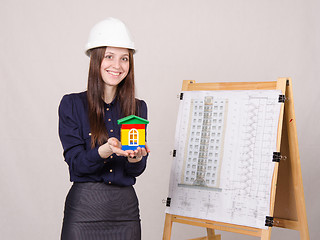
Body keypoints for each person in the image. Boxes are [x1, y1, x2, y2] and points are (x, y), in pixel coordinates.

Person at [58, 17, 150, 240]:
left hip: (125, 212)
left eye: (124, 59)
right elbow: (76, 163)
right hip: (84, 210)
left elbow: (135, 171)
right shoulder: (72, 104)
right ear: (95, 59)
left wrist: (136, 158)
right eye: (109, 57)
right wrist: (106, 150)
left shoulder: (137, 108)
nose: (117, 66)